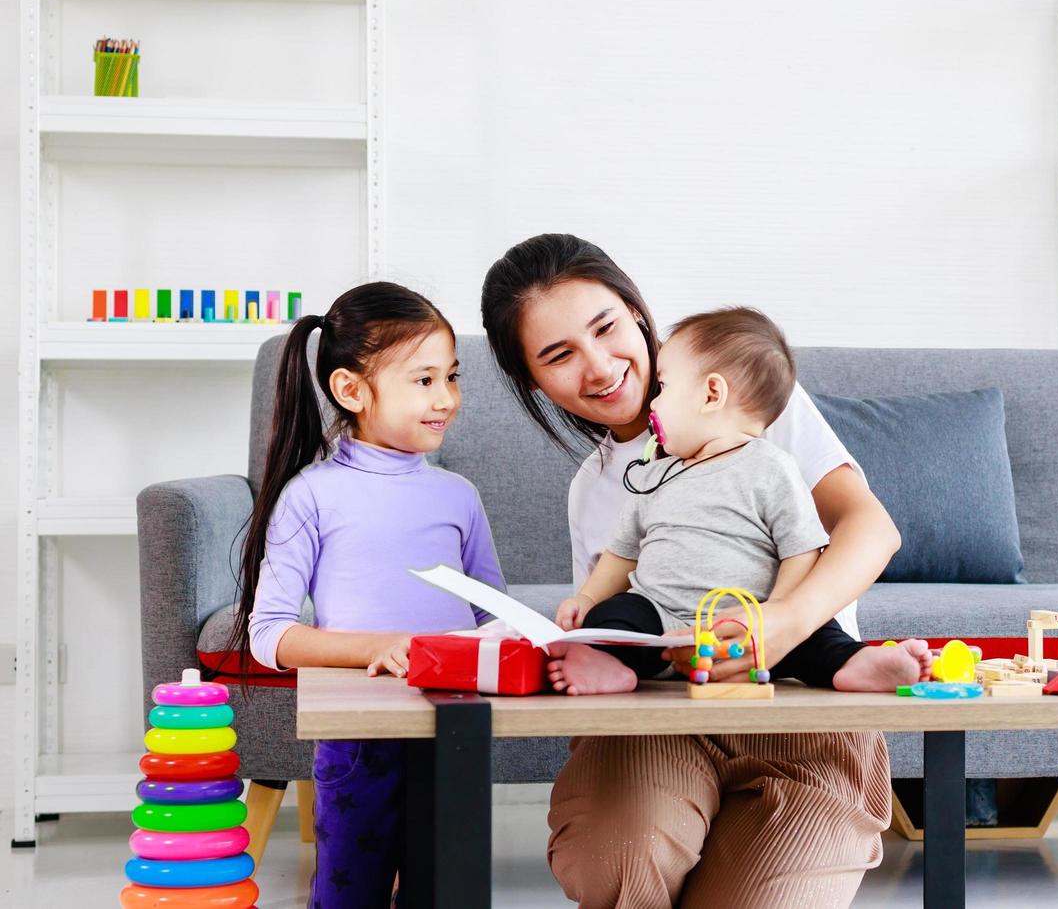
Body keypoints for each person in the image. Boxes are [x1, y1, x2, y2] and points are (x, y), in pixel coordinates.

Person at [482, 234, 901, 908]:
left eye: (606, 328)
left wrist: (784, 624)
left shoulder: (747, 402)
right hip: (662, 717)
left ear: (639, 315)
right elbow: (613, 611)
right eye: (559, 355)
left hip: (799, 707)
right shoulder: (594, 489)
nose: (599, 367)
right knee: (613, 862)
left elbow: (872, 528)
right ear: (534, 379)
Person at [233, 281, 507, 908]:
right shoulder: (312, 495)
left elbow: (495, 613)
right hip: (359, 738)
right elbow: (271, 636)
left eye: (452, 377)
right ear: (351, 390)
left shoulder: (457, 495)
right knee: (347, 894)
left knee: (448, 892)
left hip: (454, 731)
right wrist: (381, 646)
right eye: (424, 380)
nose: (448, 399)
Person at [549, 305, 931, 695]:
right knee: (615, 615)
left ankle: (855, 662)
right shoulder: (653, 474)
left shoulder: (772, 466)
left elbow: (801, 551)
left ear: (712, 393)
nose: (653, 405)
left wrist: (776, 616)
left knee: (819, 635)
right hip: (663, 616)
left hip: (749, 622)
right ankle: (609, 664)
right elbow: (622, 552)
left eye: (663, 388)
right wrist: (589, 596)